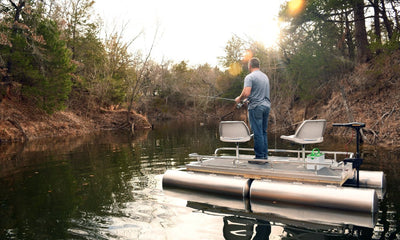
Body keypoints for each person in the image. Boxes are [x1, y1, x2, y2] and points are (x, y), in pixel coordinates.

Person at [235, 57, 270, 163]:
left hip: (256, 108)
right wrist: (247, 100)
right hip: (266, 106)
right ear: (258, 66)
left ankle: (259, 158)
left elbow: (246, 93)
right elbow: (256, 93)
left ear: (249, 66)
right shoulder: (265, 77)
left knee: (257, 132)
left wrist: (239, 98)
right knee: (263, 132)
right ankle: (264, 156)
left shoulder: (250, 77)